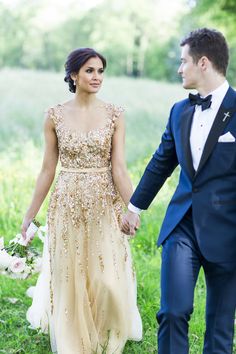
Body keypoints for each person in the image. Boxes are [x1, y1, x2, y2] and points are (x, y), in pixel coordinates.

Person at [122, 28, 236, 354]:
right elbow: (161, 162)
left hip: (229, 228)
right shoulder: (178, 111)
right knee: (172, 312)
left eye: (183, 61)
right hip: (182, 224)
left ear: (203, 63)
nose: (179, 68)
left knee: (219, 324)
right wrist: (134, 207)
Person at [22, 47, 142, 354]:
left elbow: (119, 168)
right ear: (74, 75)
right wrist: (29, 215)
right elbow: (48, 169)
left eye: (101, 71)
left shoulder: (116, 114)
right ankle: (74, 333)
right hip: (67, 202)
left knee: (107, 278)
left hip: (105, 202)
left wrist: (132, 208)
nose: (97, 76)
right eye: (90, 70)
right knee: (71, 274)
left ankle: (106, 325)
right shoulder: (54, 116)